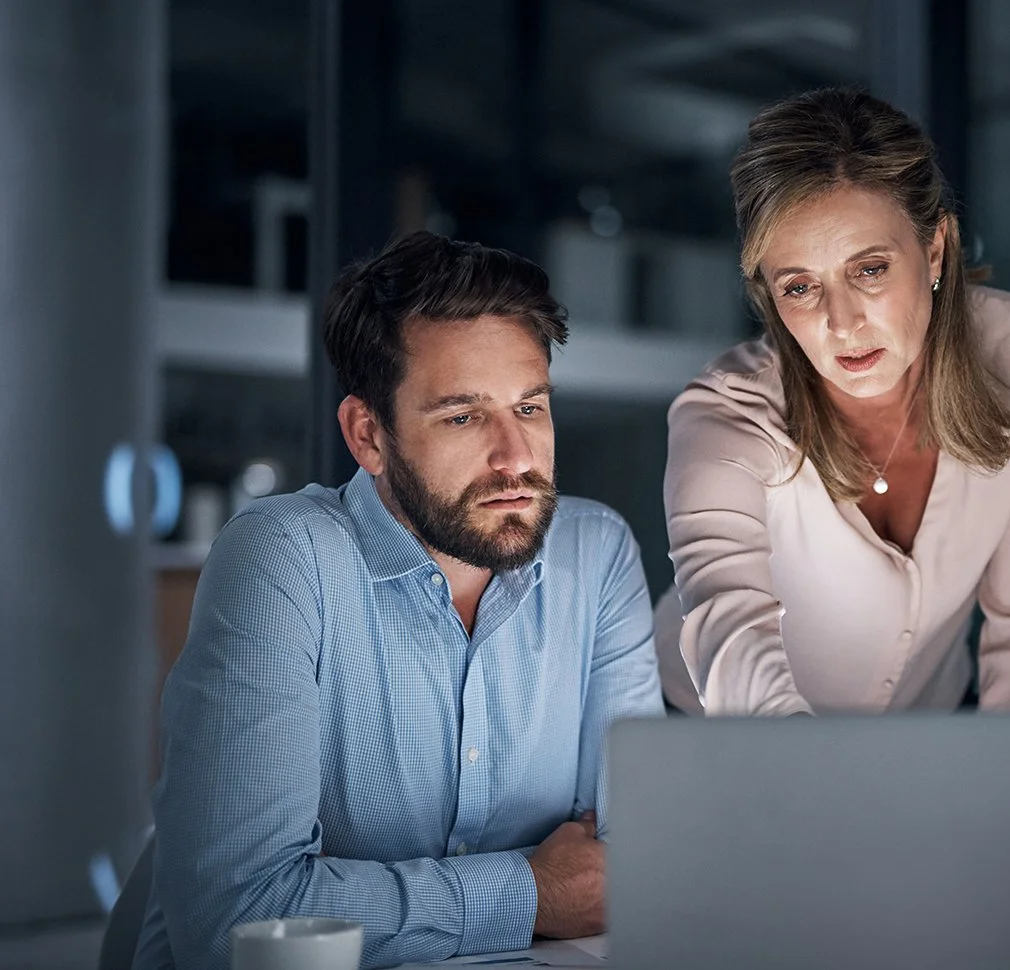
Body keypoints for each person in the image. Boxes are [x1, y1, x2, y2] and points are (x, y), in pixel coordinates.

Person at [133, 232, 664, 969]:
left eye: (530, 408)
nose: (516, 457)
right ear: (368, 435)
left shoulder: (595, 552)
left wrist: (354, 897)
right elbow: (241, 918)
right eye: (462, 416)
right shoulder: (282, 558)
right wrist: (530, 894)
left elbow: (631, 862)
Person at [655, 88, 1010, 716]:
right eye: (800, 286)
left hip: (917, 741)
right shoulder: (724, 419)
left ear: (935, 249)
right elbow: (730, 631)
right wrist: (812, 785)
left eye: (869, 269)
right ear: (769, 293)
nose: (842, 323)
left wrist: (1006, 791)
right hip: (704, 732)